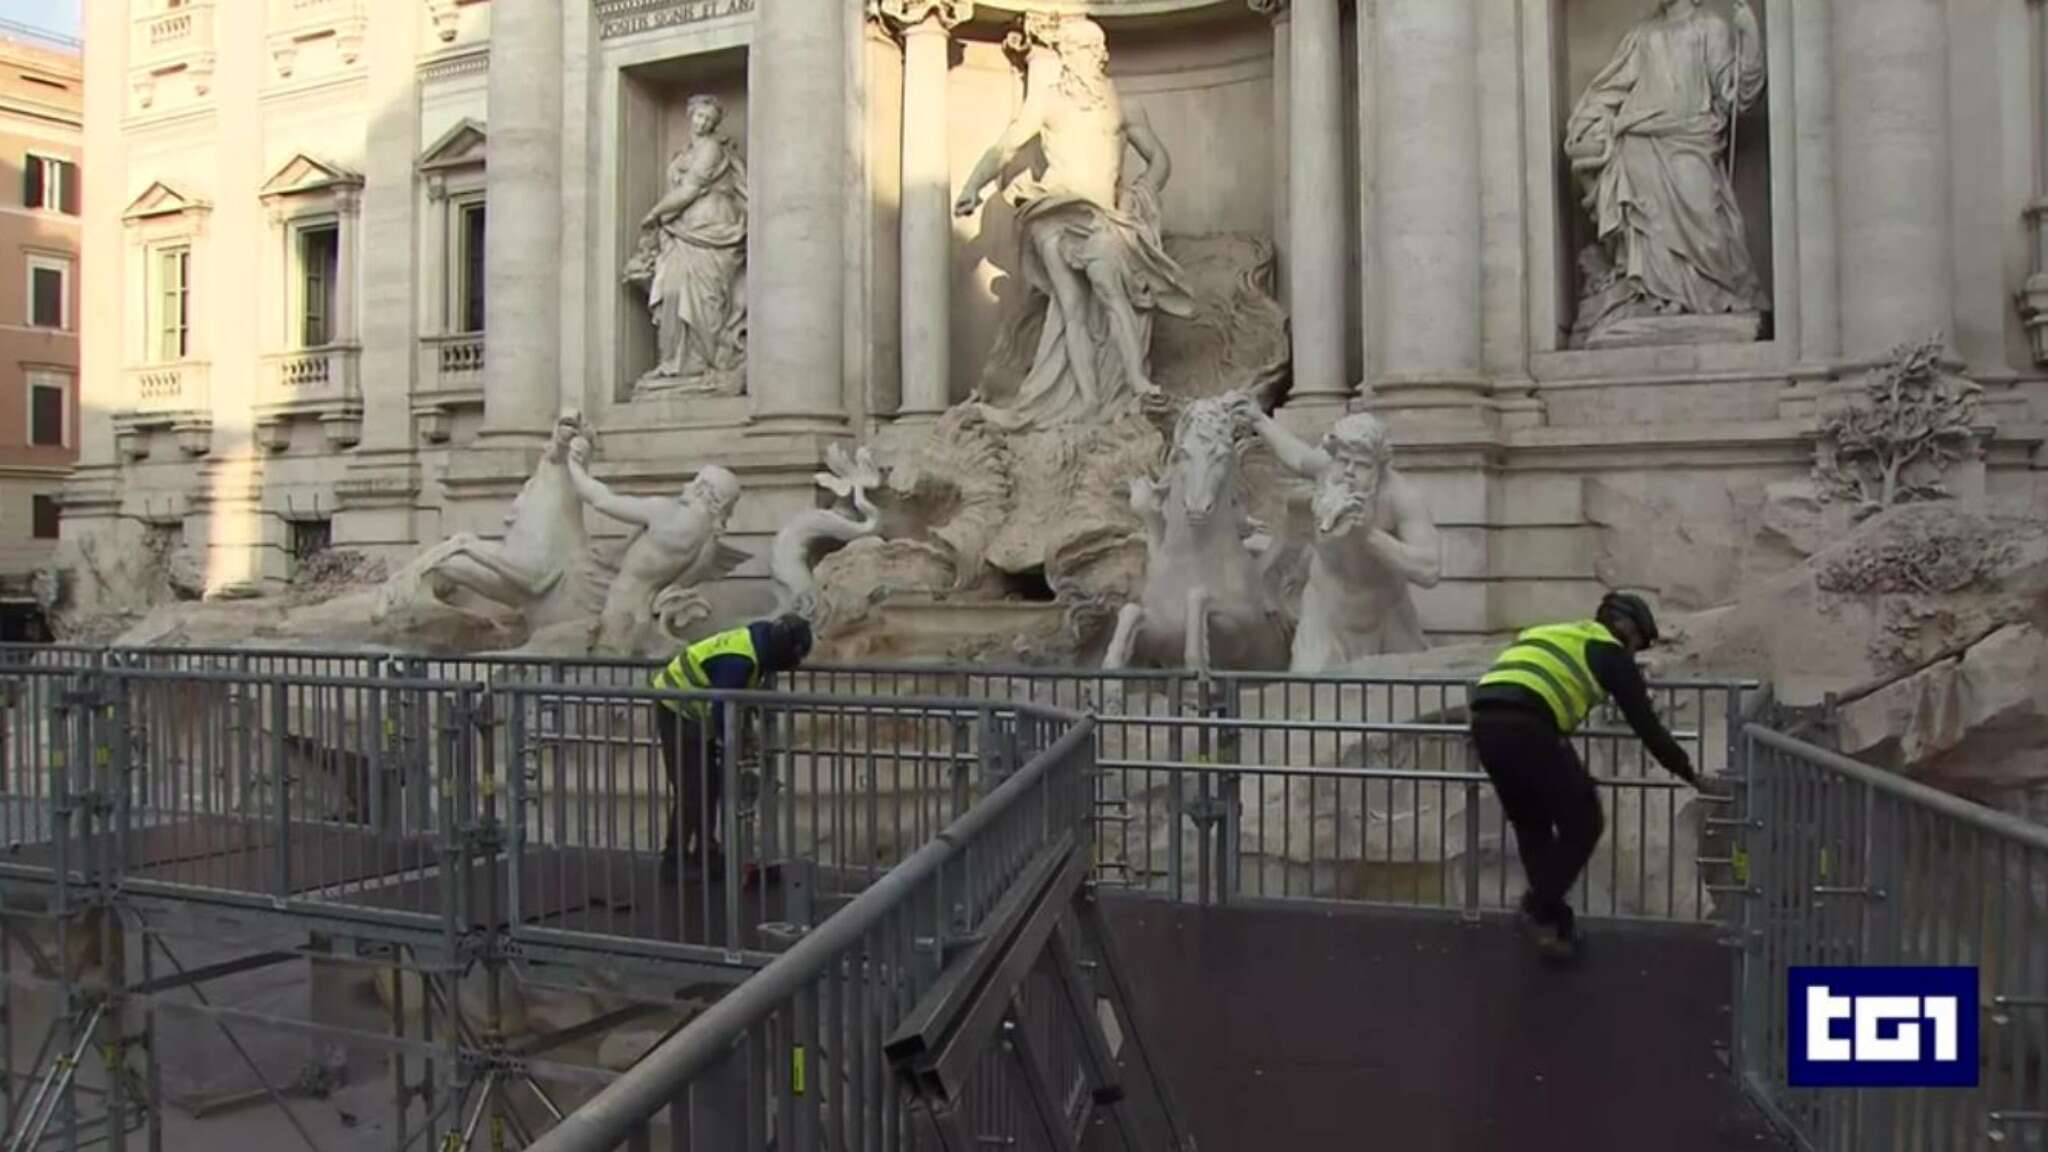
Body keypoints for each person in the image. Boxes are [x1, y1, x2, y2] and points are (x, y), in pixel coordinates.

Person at [1469, 592, 1699, 962]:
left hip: (1484, 722)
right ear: (1625, 626)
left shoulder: (1554, 633)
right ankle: (1537, 907)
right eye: (1638, 642)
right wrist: (1691, 774)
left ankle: (1554, 925)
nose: (1634, 653)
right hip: (1529, 723)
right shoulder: (1608, 652)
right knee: (1585, 819)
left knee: (1533, 826)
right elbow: (1648, 729)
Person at [648, 614, 814, 880]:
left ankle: (706, 851)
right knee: (692, 788)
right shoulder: (741, 661)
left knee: (709, 784)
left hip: (692, 711)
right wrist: (733, 743)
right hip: (677, 708)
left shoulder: (759, 644)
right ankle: (674, 860)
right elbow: (723, 707)